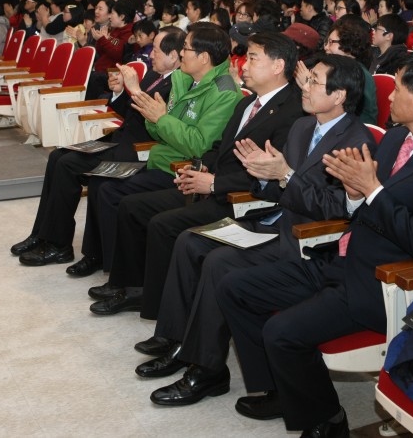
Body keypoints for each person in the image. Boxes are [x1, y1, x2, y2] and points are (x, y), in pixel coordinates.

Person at [216, 52, 413, 437]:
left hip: (383, 282)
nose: (389, 97)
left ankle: (327, 420)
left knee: (282, 332)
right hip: (342, 257)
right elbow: (358, 207)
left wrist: (372, 190)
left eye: (399, 89)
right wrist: (356, 193)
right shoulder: (393, 139)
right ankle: (281, 390)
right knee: (235, 287)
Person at [142, 55, 374, 408]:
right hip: (276, 222)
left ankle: (208, 370)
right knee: (193, 241)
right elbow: (278, 188)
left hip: (310, 242)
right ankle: (181, 346)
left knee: (219, 263)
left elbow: (337, 209)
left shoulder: (355, 141)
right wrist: (261, 174)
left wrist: (283, 175)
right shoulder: (303, 127)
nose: (305, 87)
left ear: (340, 95)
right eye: (307, 79)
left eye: (314, 82)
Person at [88, 32, 304, 317]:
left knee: (162, 224)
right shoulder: (248, 102)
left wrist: (214, 182)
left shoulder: (291, 113)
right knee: (132, 205)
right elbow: (218, 148)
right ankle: (129, 286)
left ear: (278, 66)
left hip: (241, 198)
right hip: (212, 183)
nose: (242, 66)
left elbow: (267, 174)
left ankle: (152, 302)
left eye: (252, 59)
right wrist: (201, 166)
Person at [76, 23, 244, 278]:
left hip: (183, 168)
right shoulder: (185, 80)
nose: (181, 54)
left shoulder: (224, 93)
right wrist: (154, 117)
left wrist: (161, 118)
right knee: (103, 182)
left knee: (113, 192)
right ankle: (105, 261)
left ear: (204, 57)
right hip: (162, 158)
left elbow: (199, 145)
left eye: (186, 49)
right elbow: (161, 131)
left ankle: (122, 275)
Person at [12, 27, 184, 269]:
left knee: (68, 165)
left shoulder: (178, 85)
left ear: (173, 56)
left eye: (155, 50)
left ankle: (58, 245)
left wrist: (133, 90)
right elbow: (127, 112)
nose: (151, 55)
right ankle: (41, 233)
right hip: (120, 140)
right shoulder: (153, 75)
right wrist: (118, 93)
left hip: (137, 149)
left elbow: (154, 121)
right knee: (58, 156)